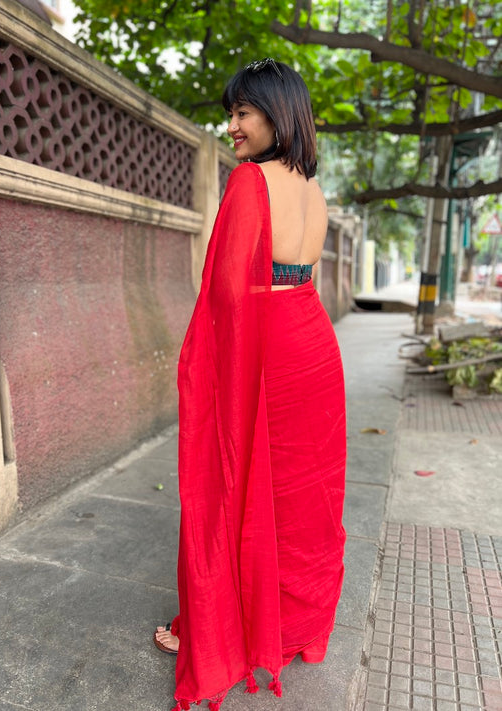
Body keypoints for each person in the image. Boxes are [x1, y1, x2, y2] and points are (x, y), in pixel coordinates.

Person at [154, 58, 346, 711]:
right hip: (312, 343)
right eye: (231, 112)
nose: (231, 125)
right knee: (297, 499)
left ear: (277, 113)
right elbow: (300, 277)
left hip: (265, 348)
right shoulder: (313, 190)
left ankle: (223, 630)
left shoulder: (250, 181)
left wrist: (201, 376)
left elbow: (228, 295)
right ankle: (288, 626)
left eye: (243, 111)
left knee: (238, 486)